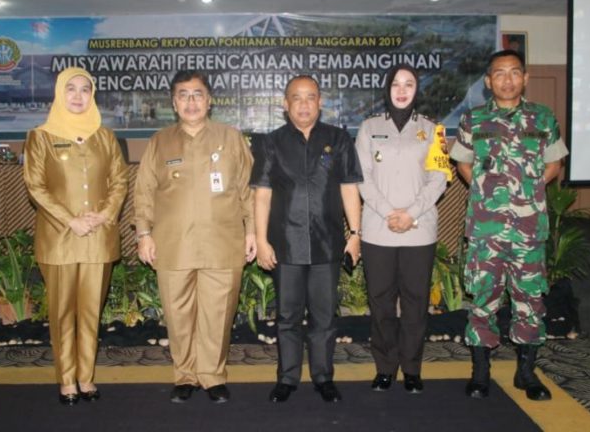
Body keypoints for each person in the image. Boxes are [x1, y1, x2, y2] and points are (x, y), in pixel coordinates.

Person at [449, 49, 569, 401]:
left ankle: (526, 373)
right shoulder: (474, 120)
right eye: (499, 74)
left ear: (525, 78)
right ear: (488, 81)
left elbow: (553, 166)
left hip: (529, 230)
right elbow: (463, 165)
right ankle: (481, 373)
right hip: (487, 230)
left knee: (529, 301)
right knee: (483, 300)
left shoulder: (543, 118)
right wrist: (489, 194)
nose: (506, 79)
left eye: (514, 72)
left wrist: (526, 194)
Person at [134, 70, 256, 404]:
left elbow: (247, 189)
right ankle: (185, 375)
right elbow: (144, 191)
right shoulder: (160, 141)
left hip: (223, 241)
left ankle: (213, 376)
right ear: (174, 102)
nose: (191, 101)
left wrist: (253, 230)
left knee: (218, 314)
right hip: (173, 244)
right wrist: (144, 234)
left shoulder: (231, 138)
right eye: (184, 95)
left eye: (198, 94)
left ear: (210, 100)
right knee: (178, 314)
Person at [251, 75, 363, 403]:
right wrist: (261, 239)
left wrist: (355, 235)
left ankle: (323, 377)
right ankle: (287, 379)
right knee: (287, 316)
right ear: (285, 105)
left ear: (320, 102)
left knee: (324, 316)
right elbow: (262, 195)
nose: (303, 104)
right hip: (284, 244)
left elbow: (349, 188)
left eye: (310, 97)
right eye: (296, 98)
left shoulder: (339, 139)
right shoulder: (270, 143)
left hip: (327, 243)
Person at [22, 67, 129, 406]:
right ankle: (66, 380)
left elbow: (120, 180)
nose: (79, 96)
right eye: (71, 89)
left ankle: (86, 378)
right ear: (59, 93)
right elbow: (35, 186)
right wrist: (70, 220)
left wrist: (106, 214)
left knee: (90, 312)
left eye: (85, 89)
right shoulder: (40, 136)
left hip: (98, 237)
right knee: (62, 312)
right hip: (59, 239)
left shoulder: (105, 136)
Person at [354, 64, 451, 394]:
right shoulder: (368, 128)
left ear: (417, 90)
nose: (401, 89)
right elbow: (362, 178)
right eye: (396, 83)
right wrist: (388, 212)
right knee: (381, 303)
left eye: (409, 83)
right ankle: (384, 368)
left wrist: (409, 214)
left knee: (415, 302)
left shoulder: (432, 130)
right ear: (387, 88)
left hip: (419, 230)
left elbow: (438, 179)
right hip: (377, 230)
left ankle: (411, 369)